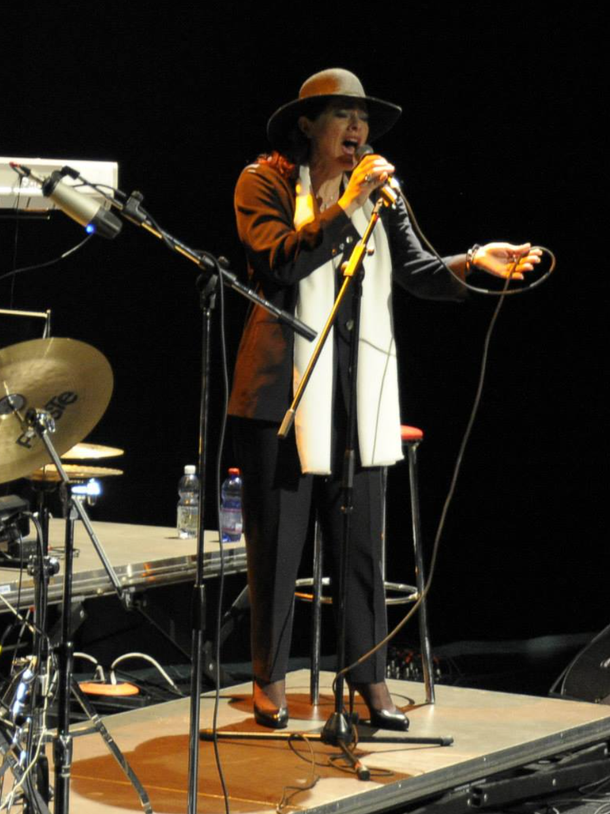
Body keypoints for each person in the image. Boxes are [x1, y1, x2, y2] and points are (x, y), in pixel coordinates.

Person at [228, 68, 539, 731]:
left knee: (360, 548)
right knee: (277, 546)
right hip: (281, 394)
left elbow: (417, 269)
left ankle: (369, 680)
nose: (358, 128)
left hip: (357, 390)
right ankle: (268, 679)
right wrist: (348, 205)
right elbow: (278, 261)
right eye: (344, 115)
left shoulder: (379, 195)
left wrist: (474, 261)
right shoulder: (264, 183)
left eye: (363, 118)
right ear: (308, 124)